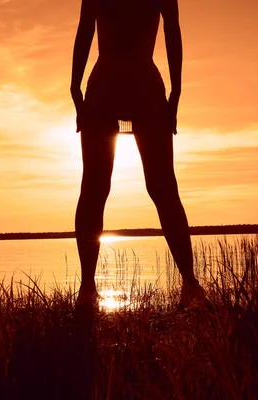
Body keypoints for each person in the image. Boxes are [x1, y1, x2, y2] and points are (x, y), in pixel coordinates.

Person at [70, 0, 207, 309]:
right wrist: (175, 92)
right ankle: (189, 284)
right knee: (159, 188)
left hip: (111, 81)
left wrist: (76, 86)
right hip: (139, 81)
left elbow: (84, 31)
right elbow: (172, 31)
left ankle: (88, 290)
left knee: (97, 188)